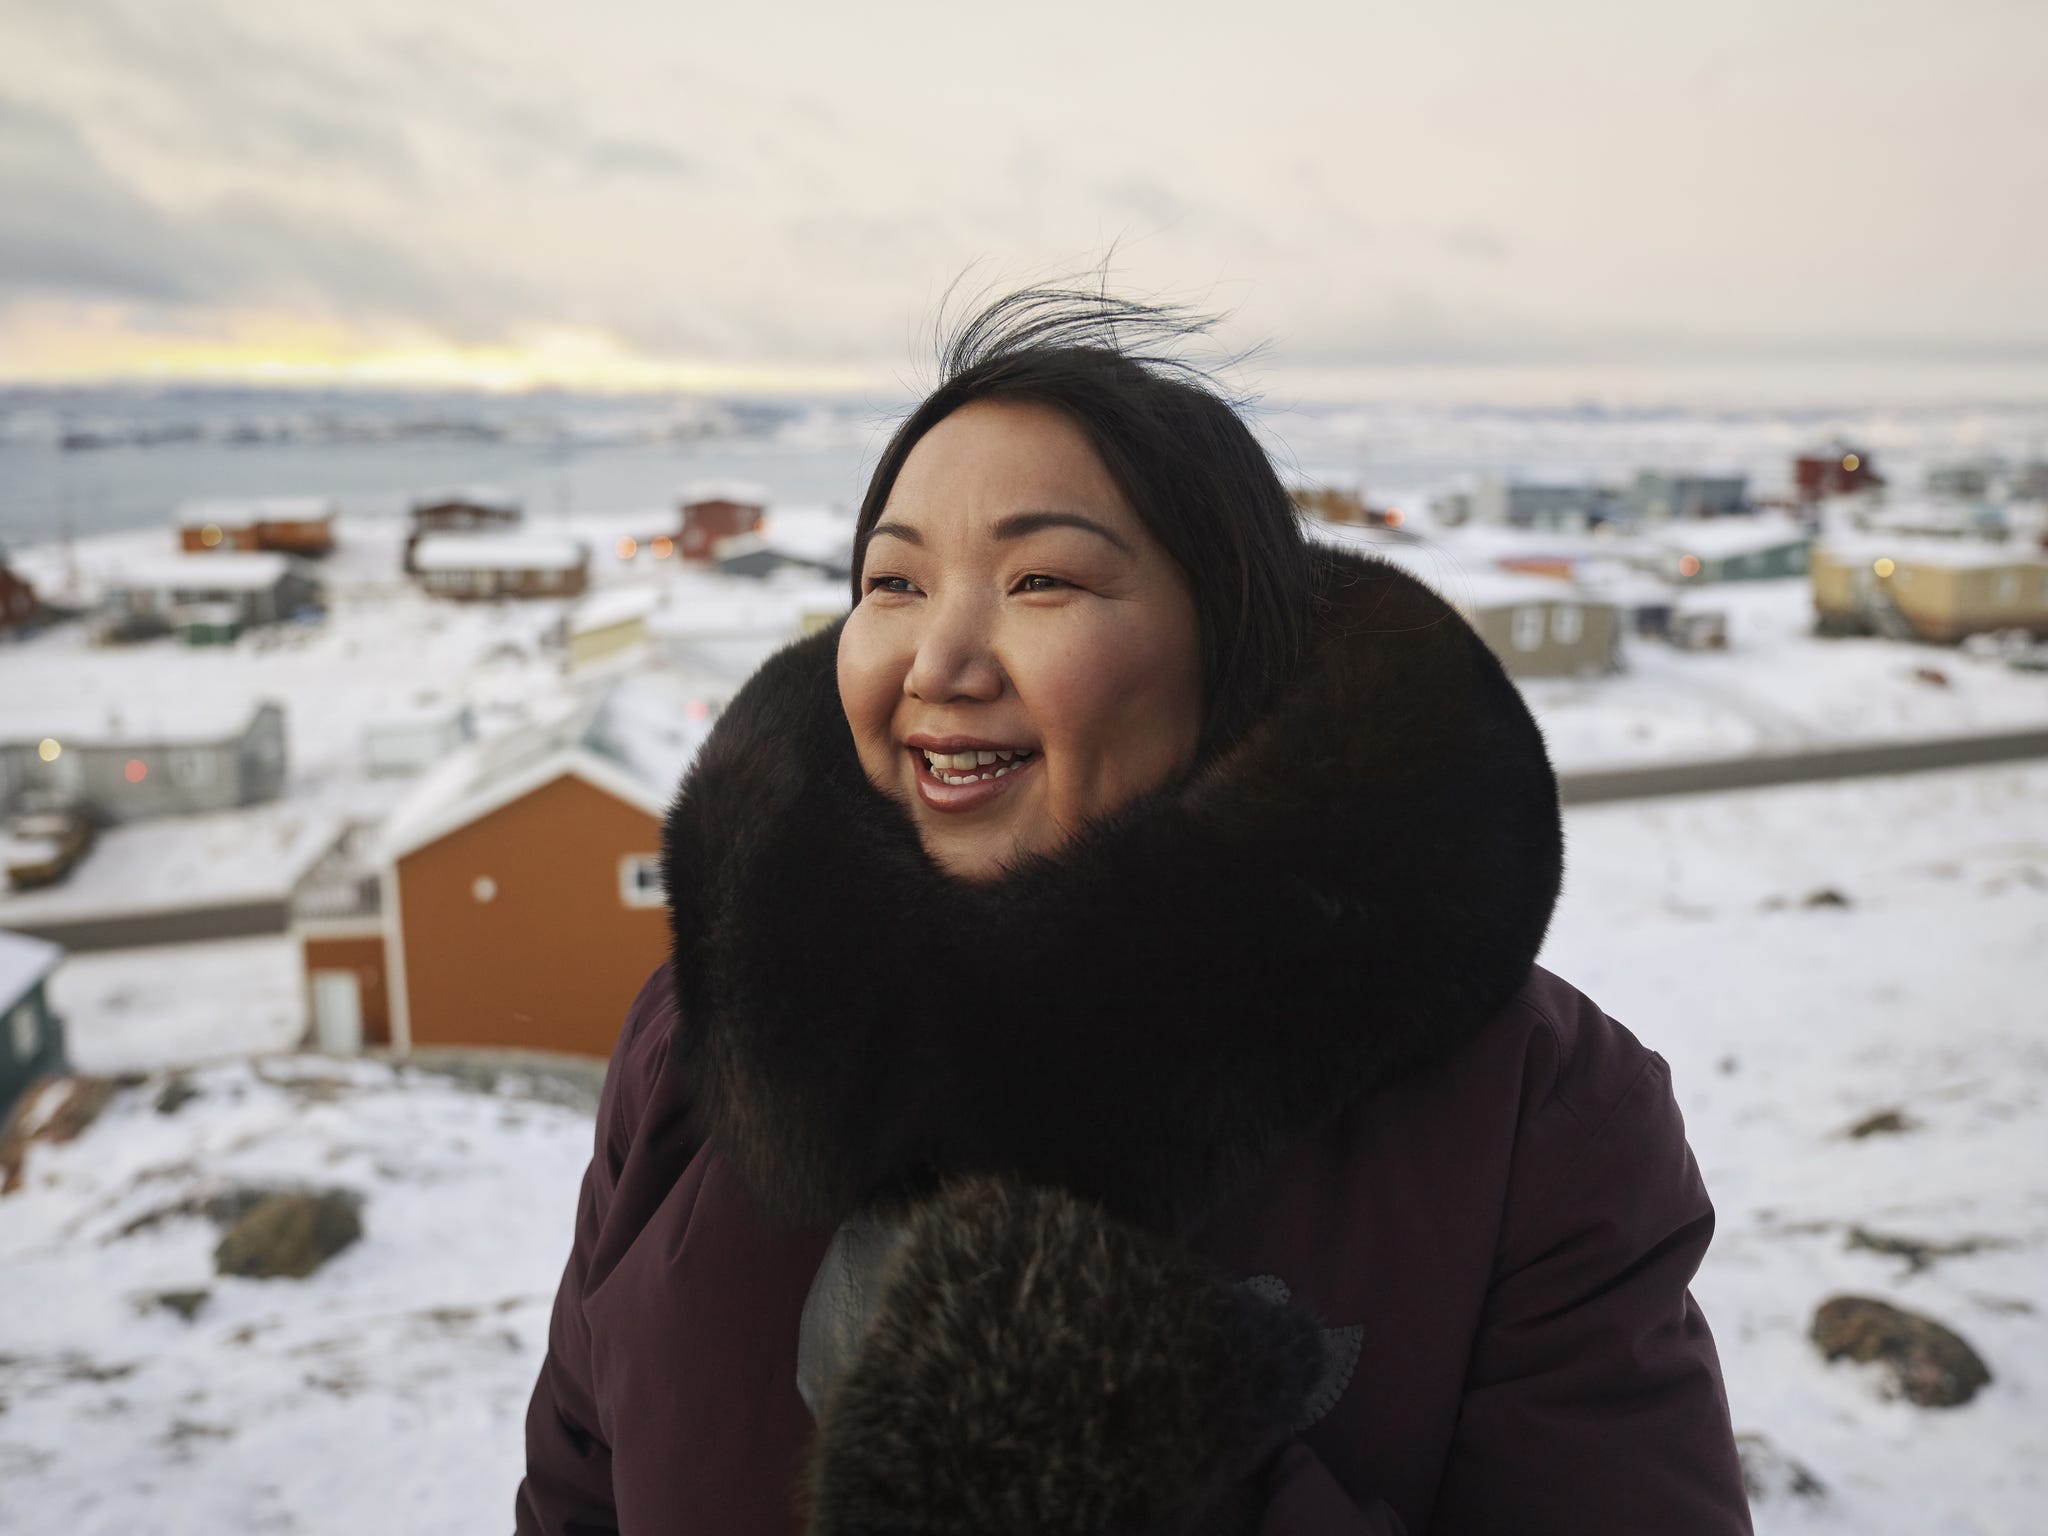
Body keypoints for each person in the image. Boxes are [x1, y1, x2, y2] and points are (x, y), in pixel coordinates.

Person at [514, 290, 1752, 1535]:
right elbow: (574, 1488)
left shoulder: (1532, 1115)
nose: (940, 662)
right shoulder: (704, 1030)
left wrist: (1106, 1466)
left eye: (1041, 580)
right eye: (892, 581)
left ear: (1231, 653)